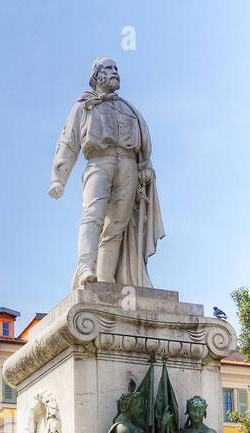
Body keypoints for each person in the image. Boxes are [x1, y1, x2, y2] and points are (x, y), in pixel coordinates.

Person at [49, 57, 163, 290]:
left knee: (118, 225)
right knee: (93, 214)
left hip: (129, 165)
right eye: (109, 68)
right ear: (96, 76)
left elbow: (144, 146)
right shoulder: (84, 106)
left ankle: (105, 278)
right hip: (99, 161)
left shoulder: (129, 109)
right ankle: (86, 267)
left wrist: (145, 168)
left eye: (116, 69)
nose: (115, 72)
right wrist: (58, 179)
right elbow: (68, 143)